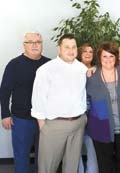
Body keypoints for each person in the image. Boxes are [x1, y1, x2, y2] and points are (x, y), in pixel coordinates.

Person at [31, 34, 88, 173]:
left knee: (71, 167)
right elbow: (38, 99)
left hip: (78, 124)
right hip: (54, 126)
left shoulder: (82, 68)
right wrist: (43, 127)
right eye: (66, 47)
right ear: (59, 49)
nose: (71, 50)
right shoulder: (46, 69)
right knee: (47, 167)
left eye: (73, 47)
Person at [0, 31, 50, 173]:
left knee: (44, 157)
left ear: (42, 45)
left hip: (45, 119)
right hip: (21, 119)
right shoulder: (14, 64)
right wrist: (5, 114)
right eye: (31, 42)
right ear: (24, 45)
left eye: (38, 42)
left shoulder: (49, 64)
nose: (35, 45)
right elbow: (4, 91)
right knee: (21, 156)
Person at [86, 42, 120, 173]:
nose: (108, 60)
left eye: (111, 56)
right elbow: (85, 101)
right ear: (99, 58)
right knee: (105, 166)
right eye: (104, 56)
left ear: (116, 57)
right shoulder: (91, 77)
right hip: (101, 129)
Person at [77, 43, 98, 173]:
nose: (88, 54)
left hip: (93, 114)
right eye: (85, 51)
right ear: (80, 53)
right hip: (76, 114)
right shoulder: (73, 69)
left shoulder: (97, 70)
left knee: (92, 149)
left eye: (91, 51)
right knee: (75, 150)